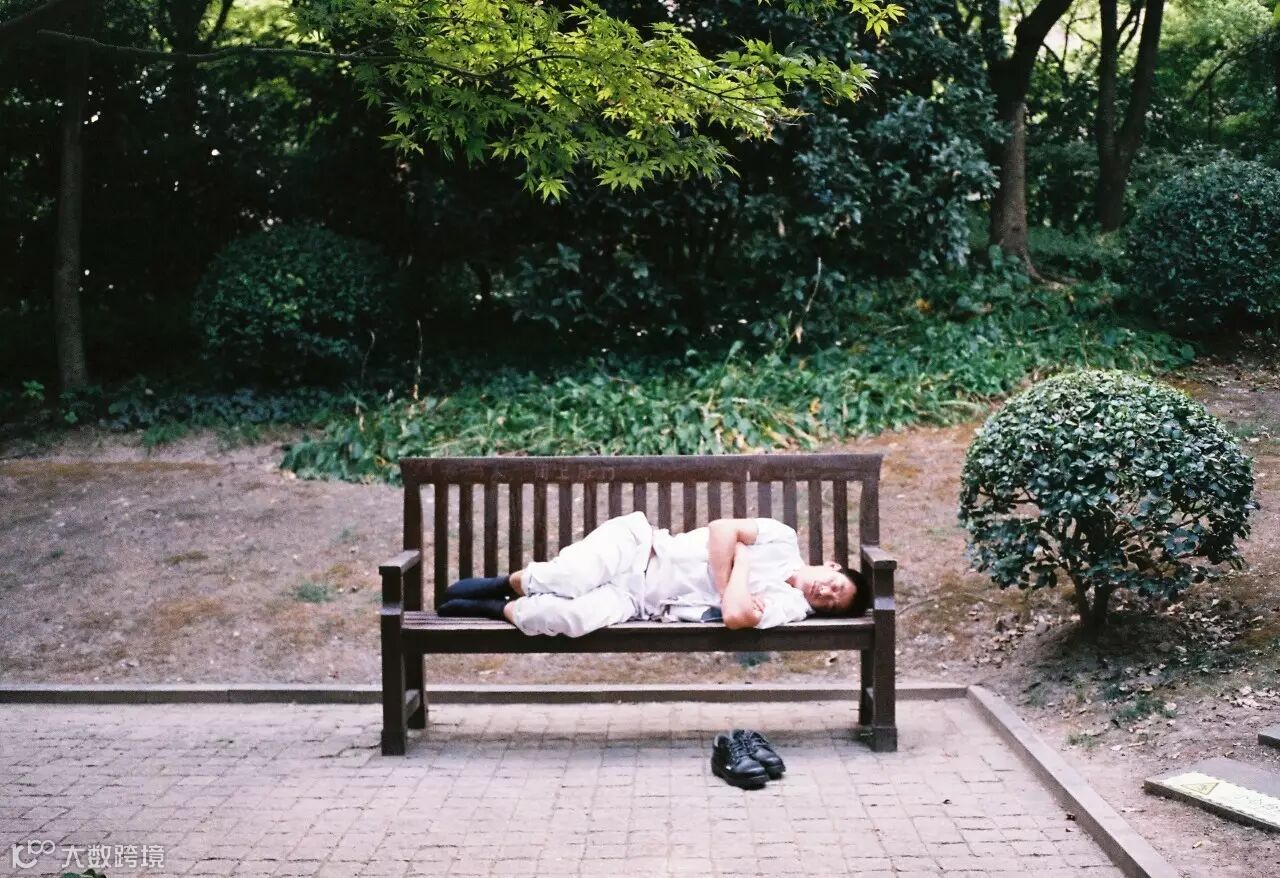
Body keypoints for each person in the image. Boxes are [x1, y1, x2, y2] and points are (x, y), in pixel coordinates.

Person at [437, 511, 857, 637]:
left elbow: (734, 617)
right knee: (569, 578)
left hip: (640, 602)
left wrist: (741, 563)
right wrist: (731, 587)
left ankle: (496, 609)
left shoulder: (790, 607)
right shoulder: (783, 539)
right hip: (637, 547)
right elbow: (721, 529)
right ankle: (505, 584)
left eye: (833, 604)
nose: (827, 593)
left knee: (572, 618)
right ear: (833, 566)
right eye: (836, 585)